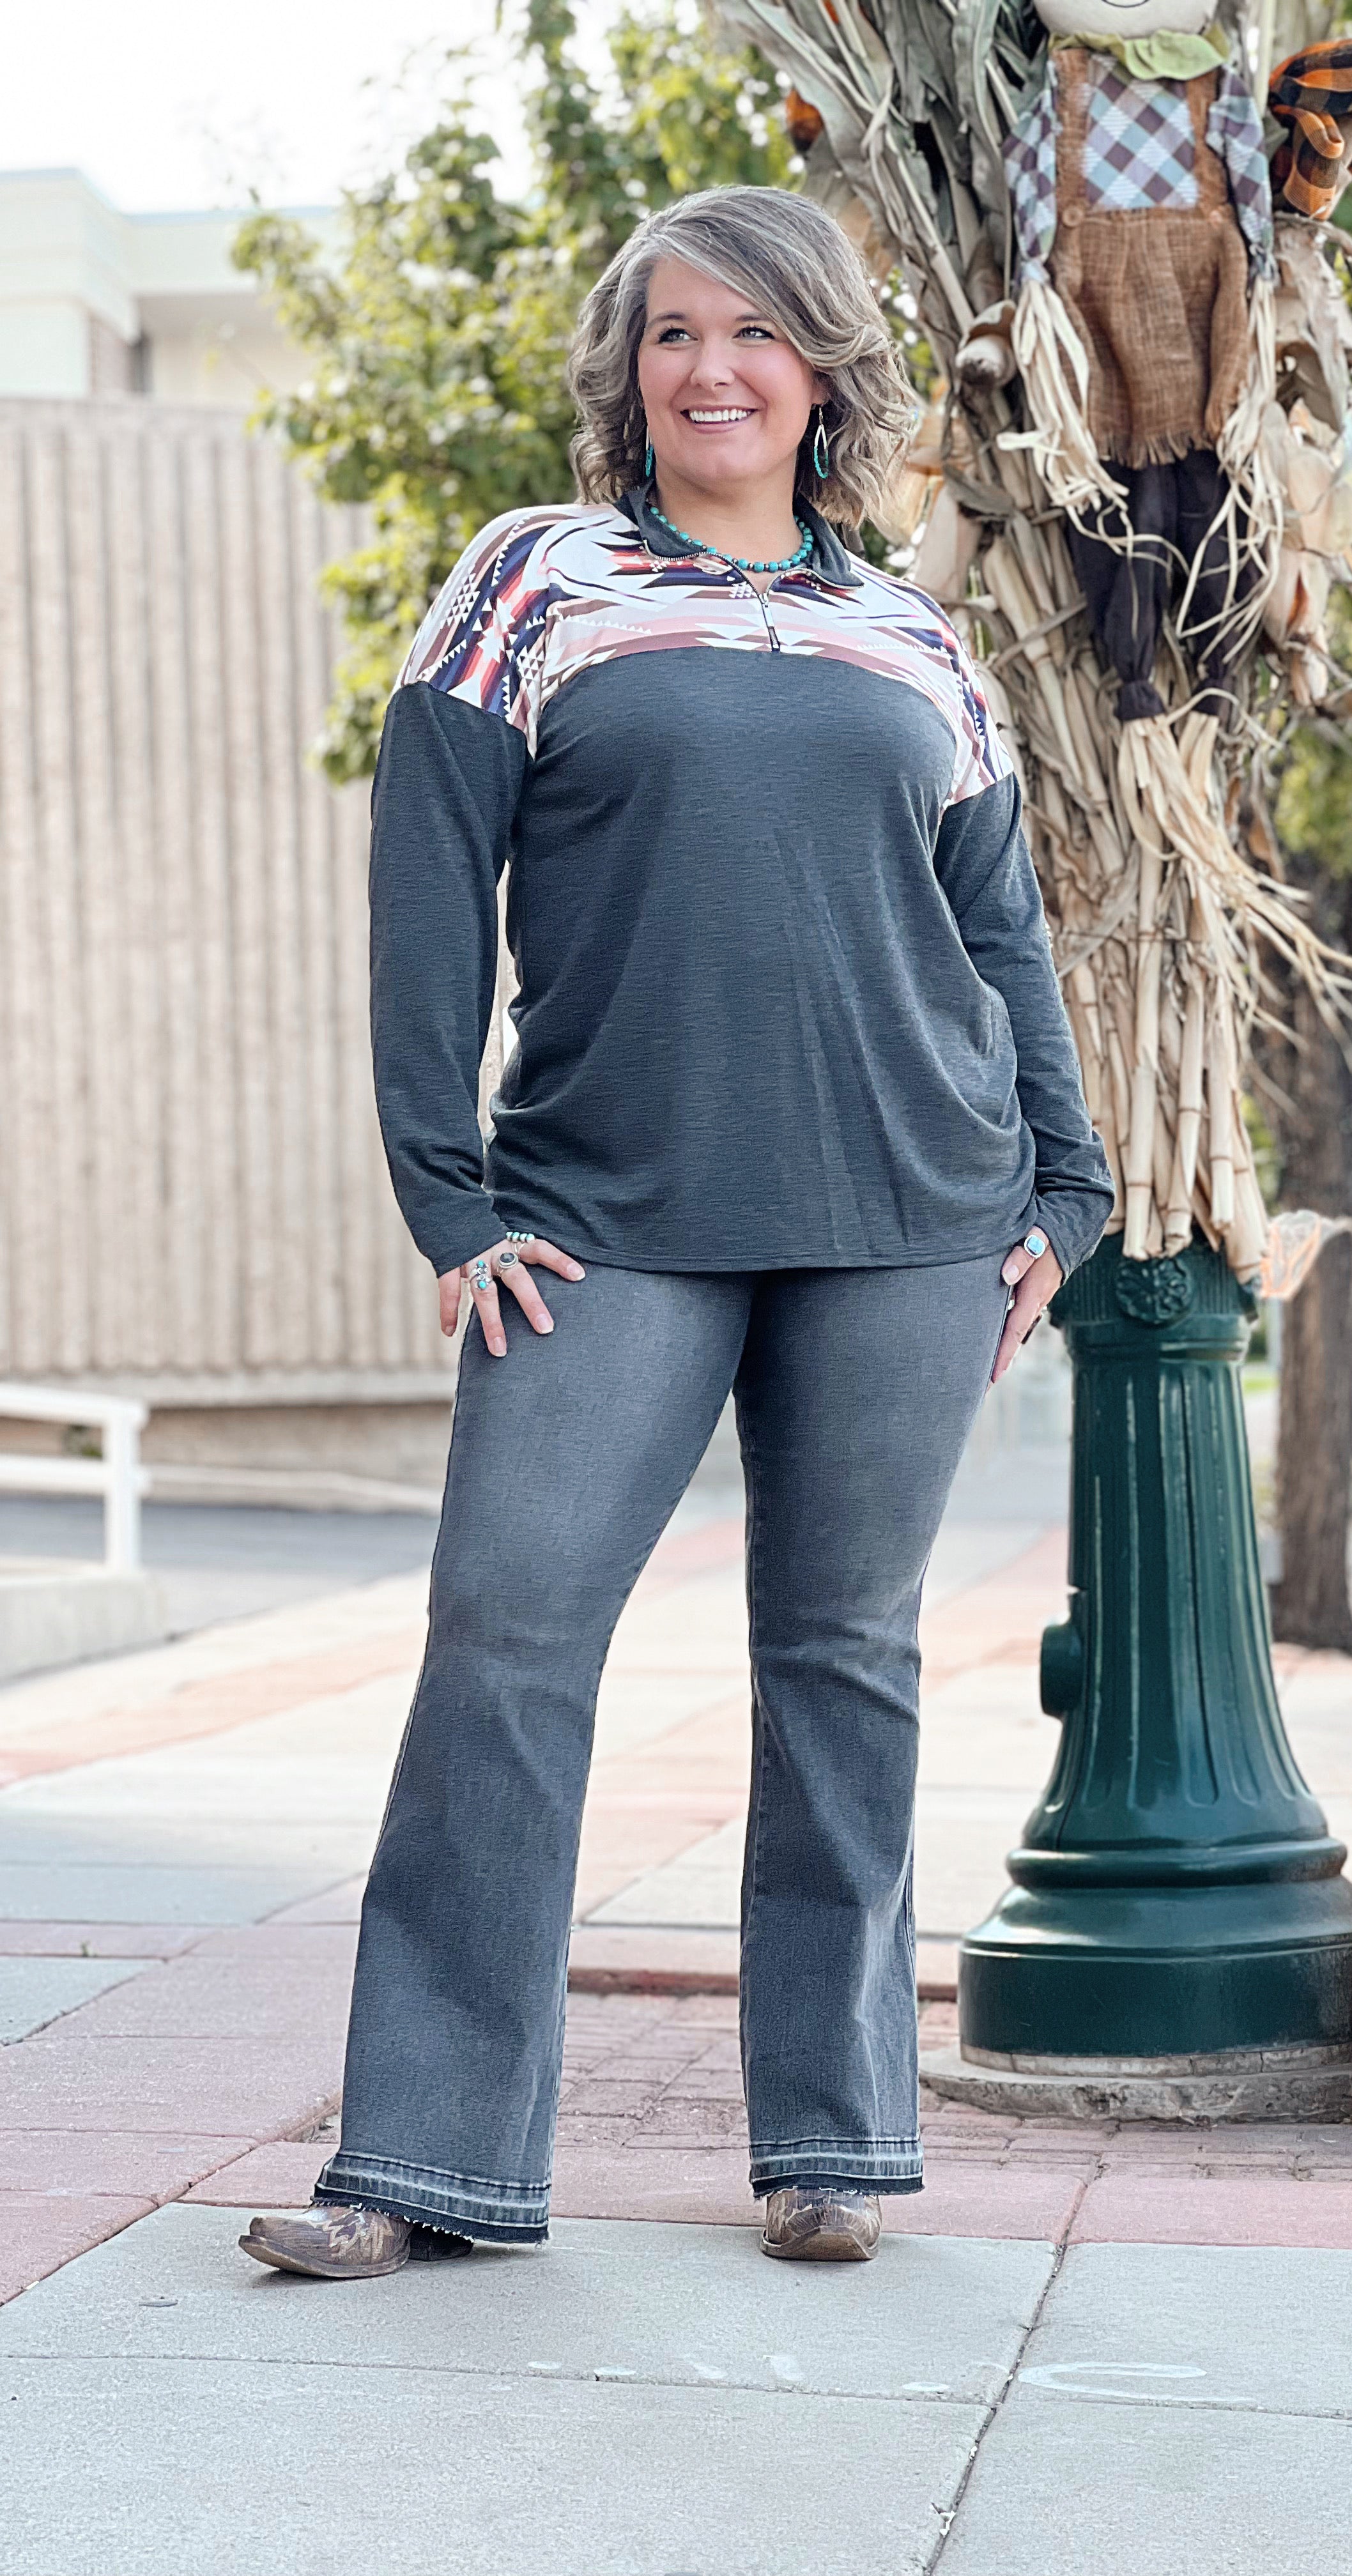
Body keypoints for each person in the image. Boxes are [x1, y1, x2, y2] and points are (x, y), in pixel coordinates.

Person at [240, 185, 1112, 2279]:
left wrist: (1067, 1186)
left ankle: (834, 2145)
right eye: (671, 334)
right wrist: (441, 1185)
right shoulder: (530, 581)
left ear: (823, 373)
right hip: (601, 1216)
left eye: (755, 333)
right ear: (629, 375)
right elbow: (431, 888)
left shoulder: (912, 631)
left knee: (844, 1666)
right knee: (506, 1645)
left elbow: (997, 930)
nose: (709, 369)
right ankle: (423, 2164)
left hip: (911, 1214)